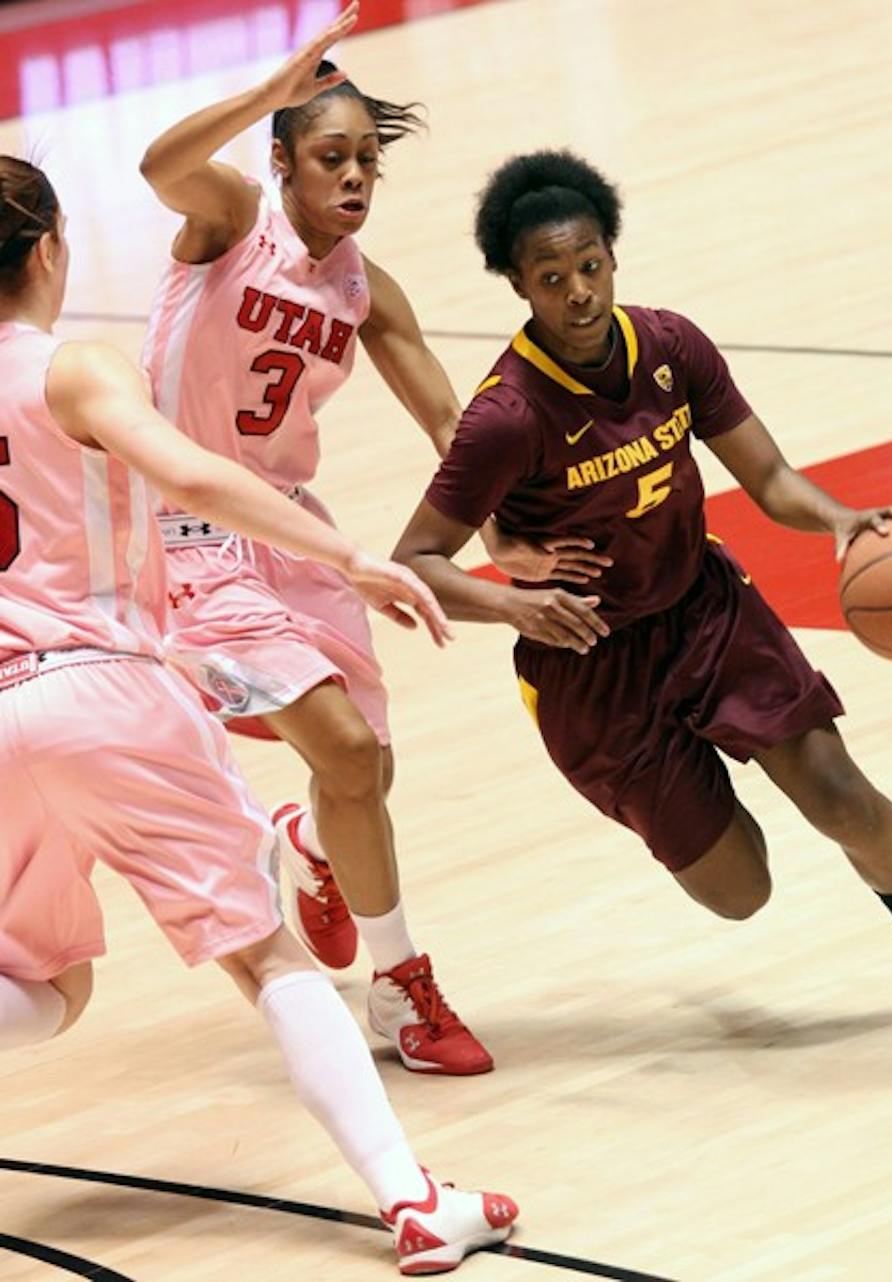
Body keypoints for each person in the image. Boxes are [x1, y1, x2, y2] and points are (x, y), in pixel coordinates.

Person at [0, 155, 517, 1275]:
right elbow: (191, 479)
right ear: (49, 248)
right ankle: (412, 1198)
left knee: (44, 987)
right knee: (267, 959)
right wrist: (346, 554)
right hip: (104, 690)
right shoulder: (72, 369)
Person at [392, 148, 892, 1030]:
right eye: (552, 276)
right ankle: (687, 781)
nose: (578, 293)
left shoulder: (670, 345)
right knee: (739, 890)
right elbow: (415, 561)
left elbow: (772, 478)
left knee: (837, 790)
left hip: (703, 610)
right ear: (519, 285)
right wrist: (512, 600)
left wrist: (839, 521)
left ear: (613, 253)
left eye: (590, 265)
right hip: (590, 667)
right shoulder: (507, 417)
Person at [138, 3, 605, 1075]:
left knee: (368, 771)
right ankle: (402, 994)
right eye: (331, 158)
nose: (352, 179)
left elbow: (450, 424)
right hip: (189, 528)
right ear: (284, 163)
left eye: (366, 162)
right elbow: (161, 165)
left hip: (295, 529)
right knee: (343, 747)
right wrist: (268, 89)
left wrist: (507, 543)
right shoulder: (229, 223)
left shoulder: (361, 286)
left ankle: (309, 852)